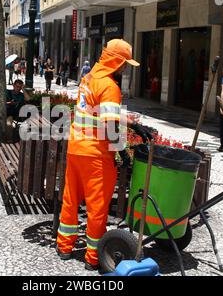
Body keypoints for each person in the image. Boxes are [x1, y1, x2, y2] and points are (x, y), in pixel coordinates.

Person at [56, 39, 153, 271]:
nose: (126, 68)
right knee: (97, 207)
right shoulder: (110, 86)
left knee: (71, 199)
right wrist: (121, 149)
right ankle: (93, 257)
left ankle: (64, 246)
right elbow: (109, 125)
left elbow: (95, 114)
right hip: (95, 154)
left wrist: (128, 124)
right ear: (117, 61)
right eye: (125, 63)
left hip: (76, 148)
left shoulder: (88, 78)